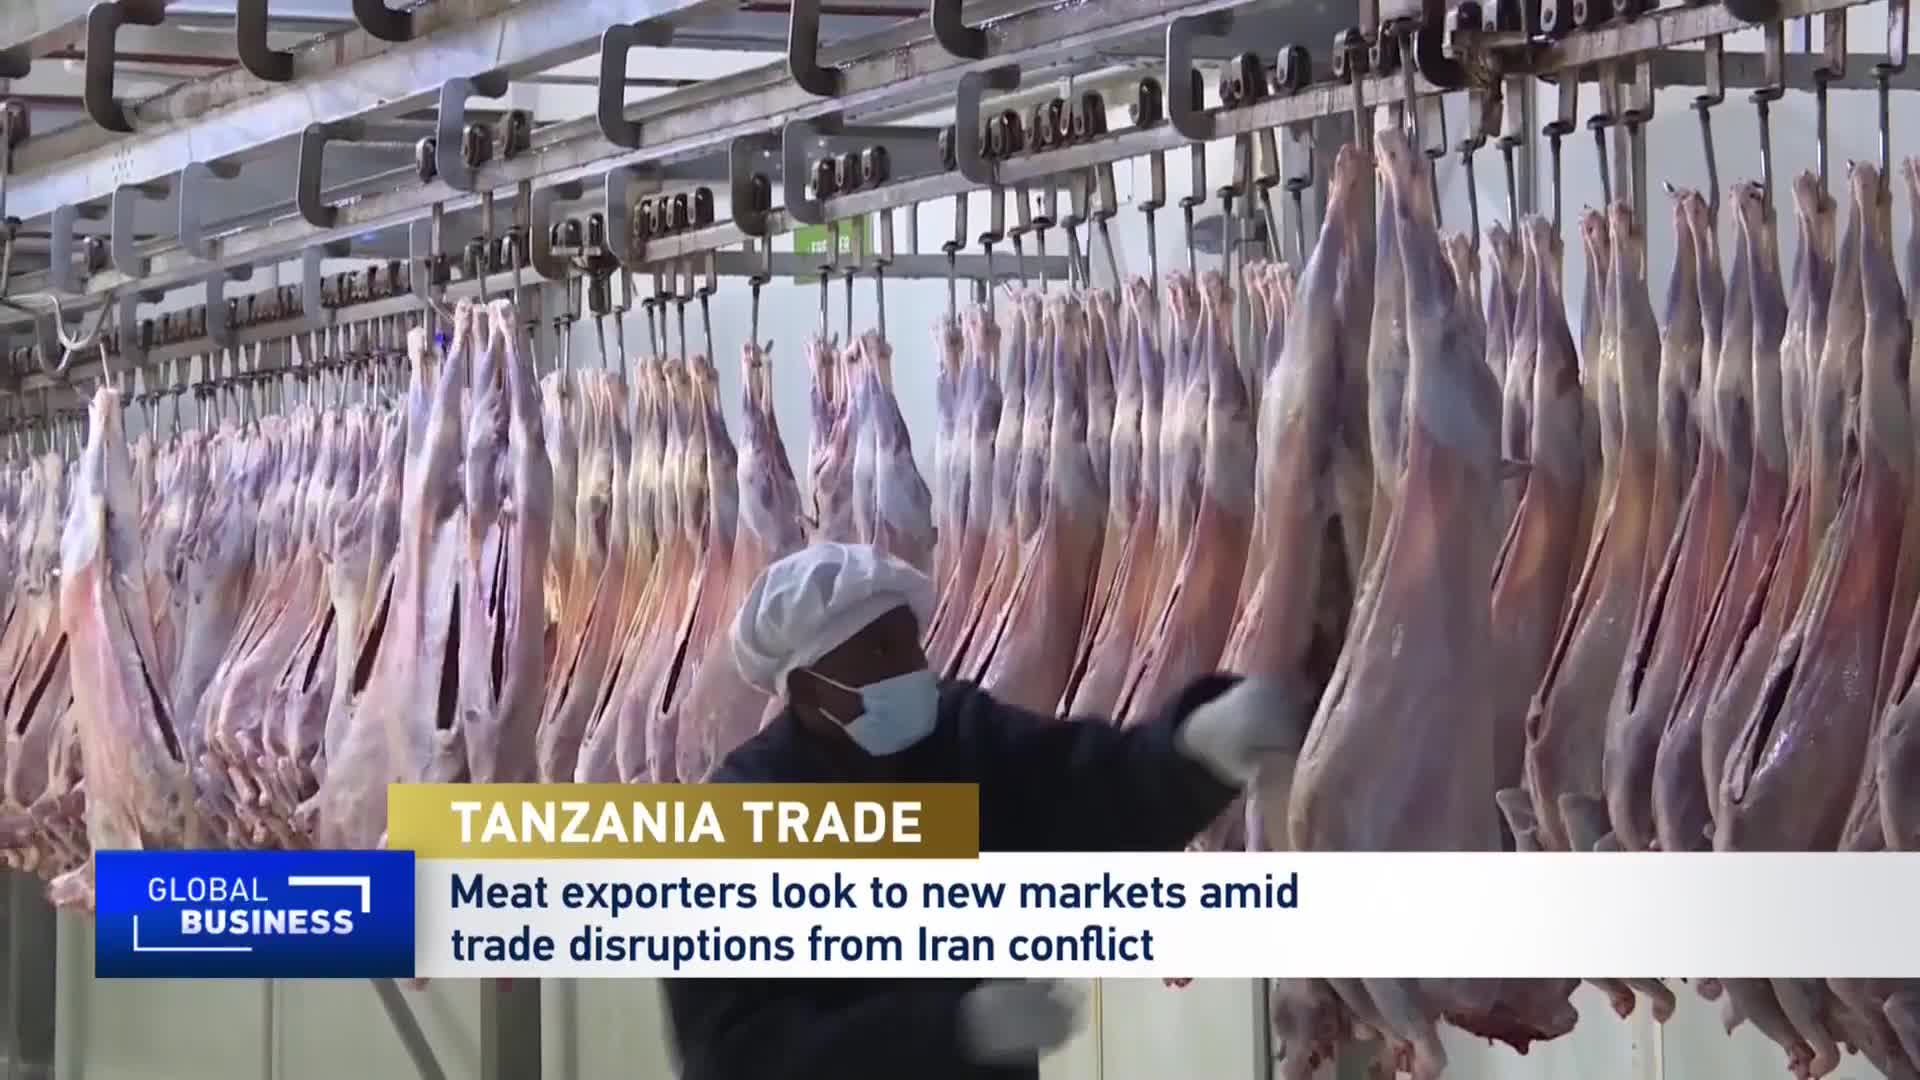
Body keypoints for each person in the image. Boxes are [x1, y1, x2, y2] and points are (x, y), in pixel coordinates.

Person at [663, 542, 1310, 1080]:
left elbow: (1084, 791)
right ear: (808, 690)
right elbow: (733, 1054)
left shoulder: (960, 738)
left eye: (912, 646)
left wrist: (1191, 751)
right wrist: (951, 1030)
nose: (913, 671)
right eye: (882, 655)